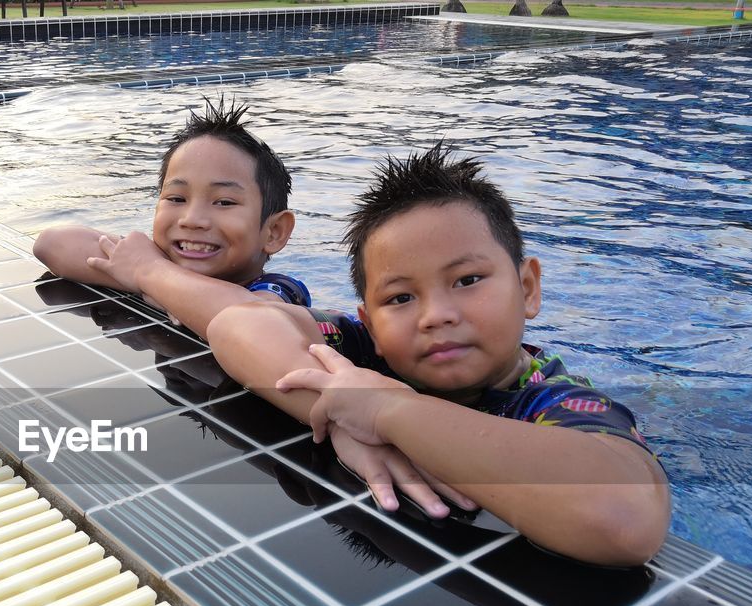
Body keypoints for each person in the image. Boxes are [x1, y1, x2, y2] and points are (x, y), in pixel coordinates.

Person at [207, 143, 670, 566]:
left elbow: (624, 519)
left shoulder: (551, 402)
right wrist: (338, 412)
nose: (436, 316)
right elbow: (237, 324)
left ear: (527, 288)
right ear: (370, 324)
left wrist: (388, 410)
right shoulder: (371, 351)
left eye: (467, 281)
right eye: (400, 298)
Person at [33, 98, 310, 340]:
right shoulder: (153, 259)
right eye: (177, 199)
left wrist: (151, 277)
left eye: (224, 202)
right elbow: (52, 244)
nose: (192, 220)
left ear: (274, 231)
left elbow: (254, 325)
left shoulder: (282, 290)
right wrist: (151, 273)